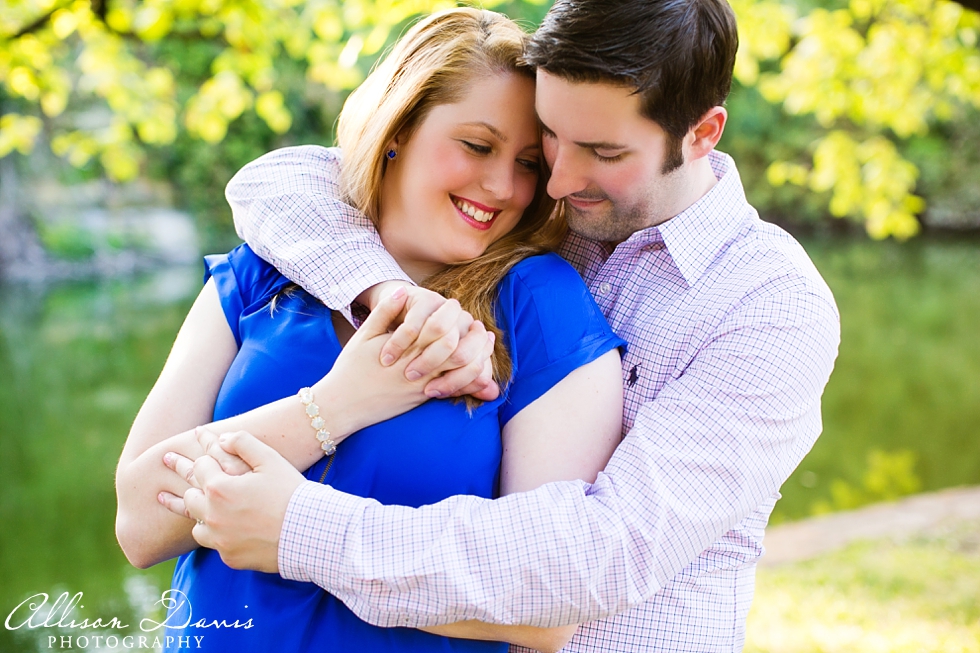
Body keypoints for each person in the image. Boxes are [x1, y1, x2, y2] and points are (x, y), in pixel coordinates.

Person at [163, 0, 842, 651]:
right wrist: (391, 295)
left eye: (602, 152)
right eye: (550, 137)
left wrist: (298, 528)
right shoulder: (541, 225)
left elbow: (602, 557)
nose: (555, 180)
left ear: (702, 133)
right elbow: (285, 183)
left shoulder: (769, 306)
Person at [115, 7, 627, 652]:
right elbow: (139, 524)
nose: (502, 186)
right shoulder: (261, 274)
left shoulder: (538, 303)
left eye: (528, 163)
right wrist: (339, 404)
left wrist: (298, 537)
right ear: (397, 130)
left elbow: (545, 612)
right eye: (477, 145)